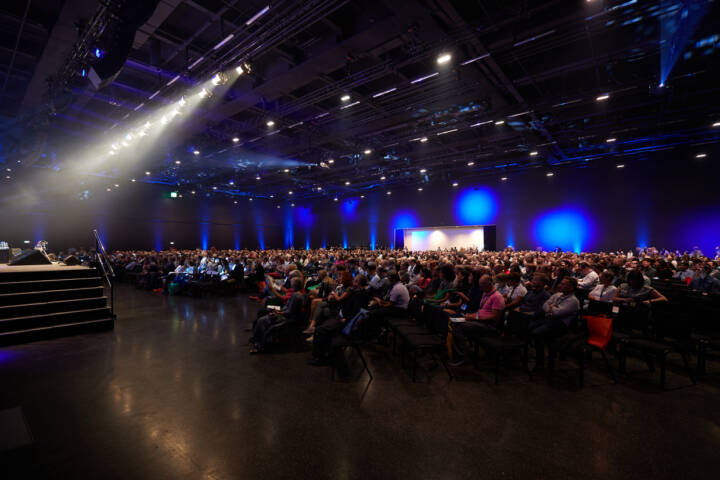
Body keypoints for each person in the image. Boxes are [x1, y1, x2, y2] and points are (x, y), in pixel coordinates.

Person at [448, 274, 504, 366]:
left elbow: (494, 317)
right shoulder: (486, 293)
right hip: (479, 321)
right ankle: (459, 352)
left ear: (489, 284)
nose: (480, 288)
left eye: (482, 286)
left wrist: (475, 317)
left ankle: (460, 357)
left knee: (459, 327)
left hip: (488, 325)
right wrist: (471, 315)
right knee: (454, 321)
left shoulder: (497, 297)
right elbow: (481, 311)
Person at [529, 277, 580, 370]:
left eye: (564, 284)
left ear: (571, 288)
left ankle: (540, 362)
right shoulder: (557, 295)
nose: (560, 285)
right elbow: (544, 305)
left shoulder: (573, 301)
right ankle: (539, 356)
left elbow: (557, 313)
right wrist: (552, 308)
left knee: (537, 334)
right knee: (529, 326)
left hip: (561, 325)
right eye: (561, 283)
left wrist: (551, 308)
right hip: (550, 320)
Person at [249, 277, 305, 353]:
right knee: (262, 318)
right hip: (285, 314)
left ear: (294, 285)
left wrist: (279, 313)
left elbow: (290, 312)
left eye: (291, 283)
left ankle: (260, 345)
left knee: (262, 320)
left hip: (288, 318)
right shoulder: (296, 294)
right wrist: (279, 311)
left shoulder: (296, 296)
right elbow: (288, 308)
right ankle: (257, 341)